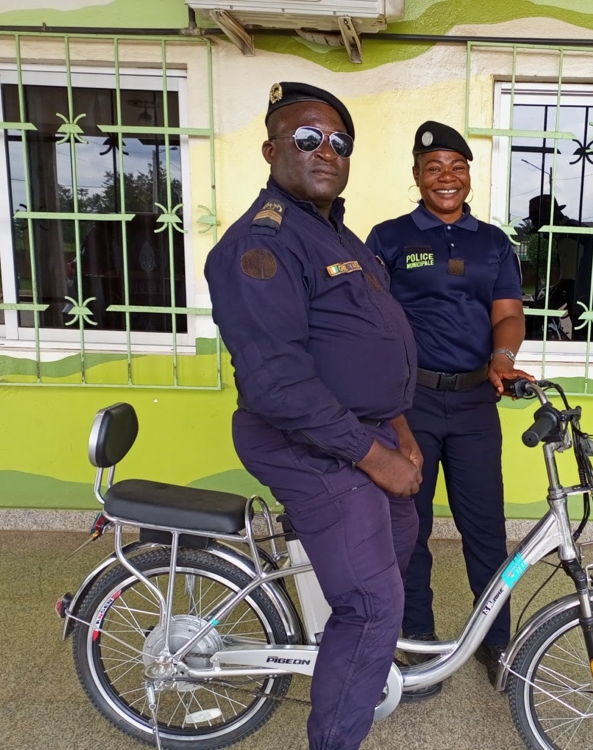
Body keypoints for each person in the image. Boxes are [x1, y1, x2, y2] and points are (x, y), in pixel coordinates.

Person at [204, 82, 422, 750]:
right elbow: (276, 383)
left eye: (338, 141)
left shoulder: (336, 233)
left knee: (395, 559)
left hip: (366, 433)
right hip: (309, 443)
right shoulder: (261, 246)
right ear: (271, 149)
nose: (325, 150)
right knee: (374, 603)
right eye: (307, 138)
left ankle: (347, 653)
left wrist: (402, 432)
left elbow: (379, 347)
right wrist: (375, 454)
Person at [365, 121, 532, 693]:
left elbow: (508, 313)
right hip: (407, 406)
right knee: (409, 530)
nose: (446, 177)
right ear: (416, 175)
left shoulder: (492, 243)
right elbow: (369, 320)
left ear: (468, 174)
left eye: (456, 166)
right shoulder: (386, 239)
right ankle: (417, 645)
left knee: (485, 531)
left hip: (474, 404)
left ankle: (498, 646)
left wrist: (503, 358)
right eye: (433, 166)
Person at [526, 194, 593, 340]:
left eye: (541, 230)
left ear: (547, 221)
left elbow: (568, 284)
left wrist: (543, 308)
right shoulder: (578, 229)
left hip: (588, 309)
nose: (543, 236)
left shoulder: (567, 239)